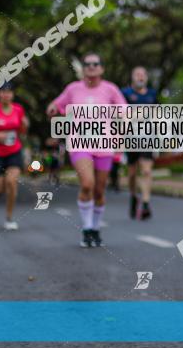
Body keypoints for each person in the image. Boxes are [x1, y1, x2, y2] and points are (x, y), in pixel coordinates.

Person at [47, 53, 127, 247]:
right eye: (87, 64)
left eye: (95, 64)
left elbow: (125, 112)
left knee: (99, 191)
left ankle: (96, 228)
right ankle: (87, 228)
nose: (91, 67)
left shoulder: (111, 89)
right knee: (87, 184)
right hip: (79, 143)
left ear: (102, 68)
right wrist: (53, 110)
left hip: (105, 145)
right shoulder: (73, 89)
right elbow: (56, 105)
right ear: (83, 69)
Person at [121, 67, 159, 220]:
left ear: (146, 78)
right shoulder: (125, 94)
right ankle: (133, 196)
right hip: (130, 136)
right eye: (137, 74)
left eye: (143, 75)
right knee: (131, 174)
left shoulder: (152, 94)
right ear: (132, 77)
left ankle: (145, 203)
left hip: (148, 136)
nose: (140, 77)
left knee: (147, 171)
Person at [0, 82, 28, 230]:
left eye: (9, 92)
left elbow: (22, 131)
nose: (6, 94)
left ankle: (9, 218)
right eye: (3, 92)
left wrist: (25, 125)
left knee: (11, 181)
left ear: (13, 95)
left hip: (14, 151)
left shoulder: (18, 109)